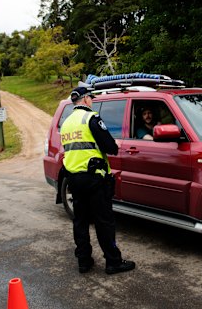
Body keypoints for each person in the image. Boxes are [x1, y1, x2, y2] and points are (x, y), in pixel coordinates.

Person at [60, 86, 136, 275]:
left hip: (74, 179)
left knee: (81, 221)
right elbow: (110, 147)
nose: (92, 101)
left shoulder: (67, 122)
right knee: (104, 221)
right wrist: (114, 144)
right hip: (94, 178)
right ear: (85, 99)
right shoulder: (91, 118)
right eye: (91, 98)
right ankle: (113, 262)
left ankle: (84, 262)